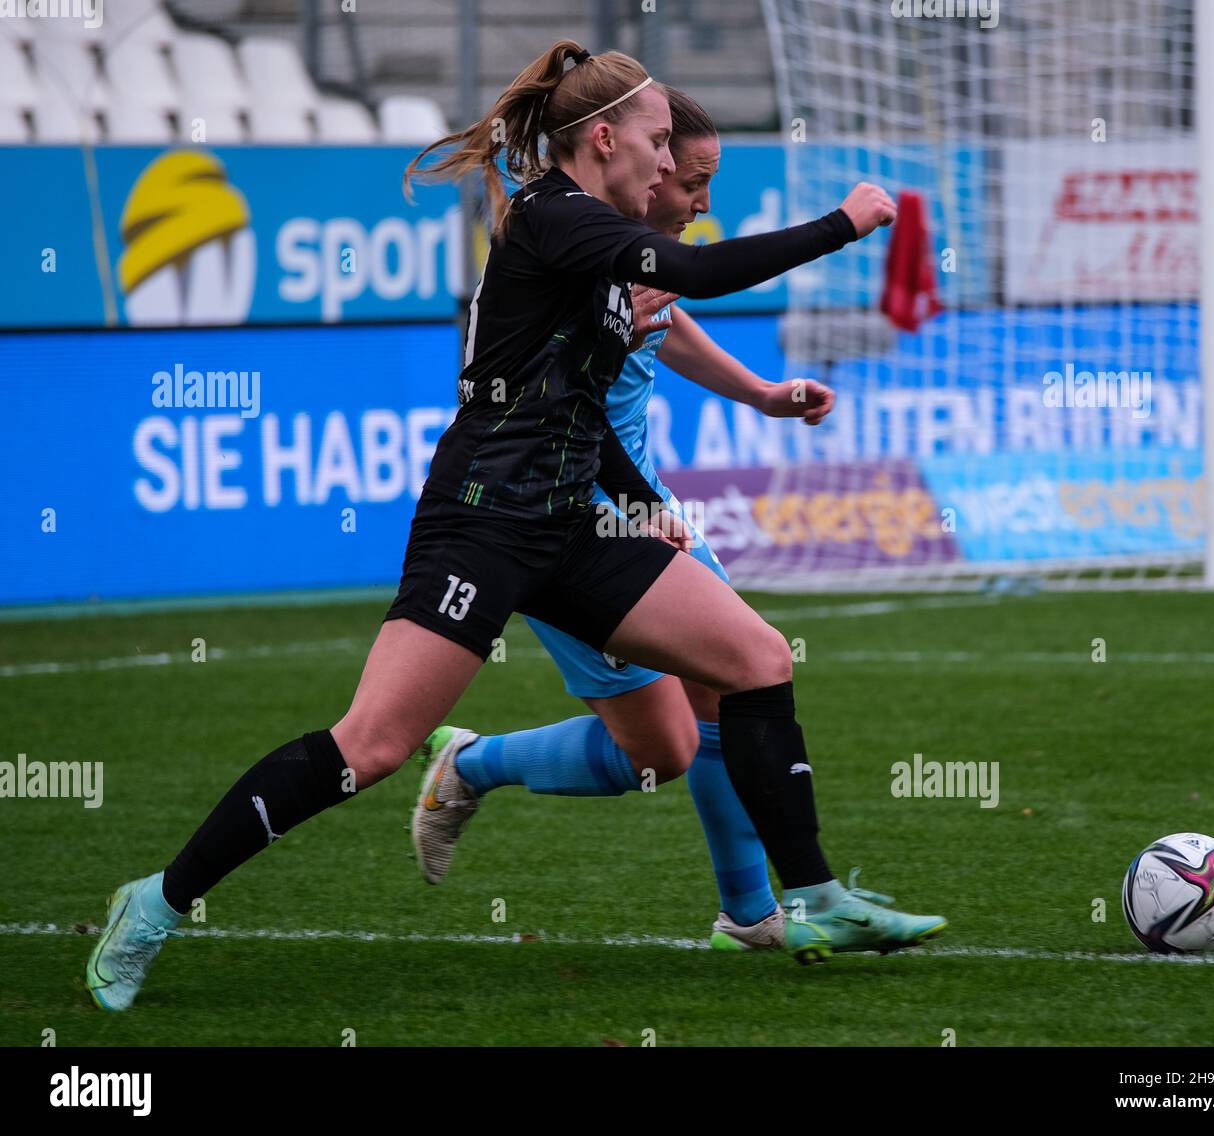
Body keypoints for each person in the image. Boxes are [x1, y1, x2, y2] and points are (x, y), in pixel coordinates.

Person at [86, 40, 944, 1012]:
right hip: (484, 520)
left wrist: (641, 497)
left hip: (575, 519)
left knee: (752, 657)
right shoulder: (557, 217)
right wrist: (845, 221)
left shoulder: (593, 232)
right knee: (367, 745)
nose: (670, 168)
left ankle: (815, 897)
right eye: (660, 145)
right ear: (605, 137)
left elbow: (575, 392)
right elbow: (698, 272)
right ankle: (155, 899)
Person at [410, 86, 841, 952]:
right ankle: (754, 912)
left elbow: (664, 321)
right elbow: (591, 356)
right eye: (694, 181)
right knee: (703, 708)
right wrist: (844, 222)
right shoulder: (584, 238)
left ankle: (477, 765)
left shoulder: (618, 245)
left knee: (671, 742)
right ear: (644, 166)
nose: (701, 202)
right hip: (569, 514)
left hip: (640, 507)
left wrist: (758, 394)